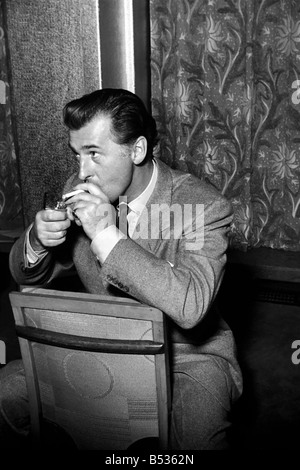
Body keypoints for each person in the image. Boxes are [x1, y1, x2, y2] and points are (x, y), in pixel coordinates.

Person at [1, 88, 242, 450]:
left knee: (199, 440)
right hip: (101, 345)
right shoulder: (80, 189)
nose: (82, 172)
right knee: (6, 394)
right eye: (77, 154)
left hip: (188, 356)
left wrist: (104, 233)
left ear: (138, 150)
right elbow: (26, 275)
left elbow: (191, 306)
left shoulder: (202, 206)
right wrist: (37, 240)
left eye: (94, 154)